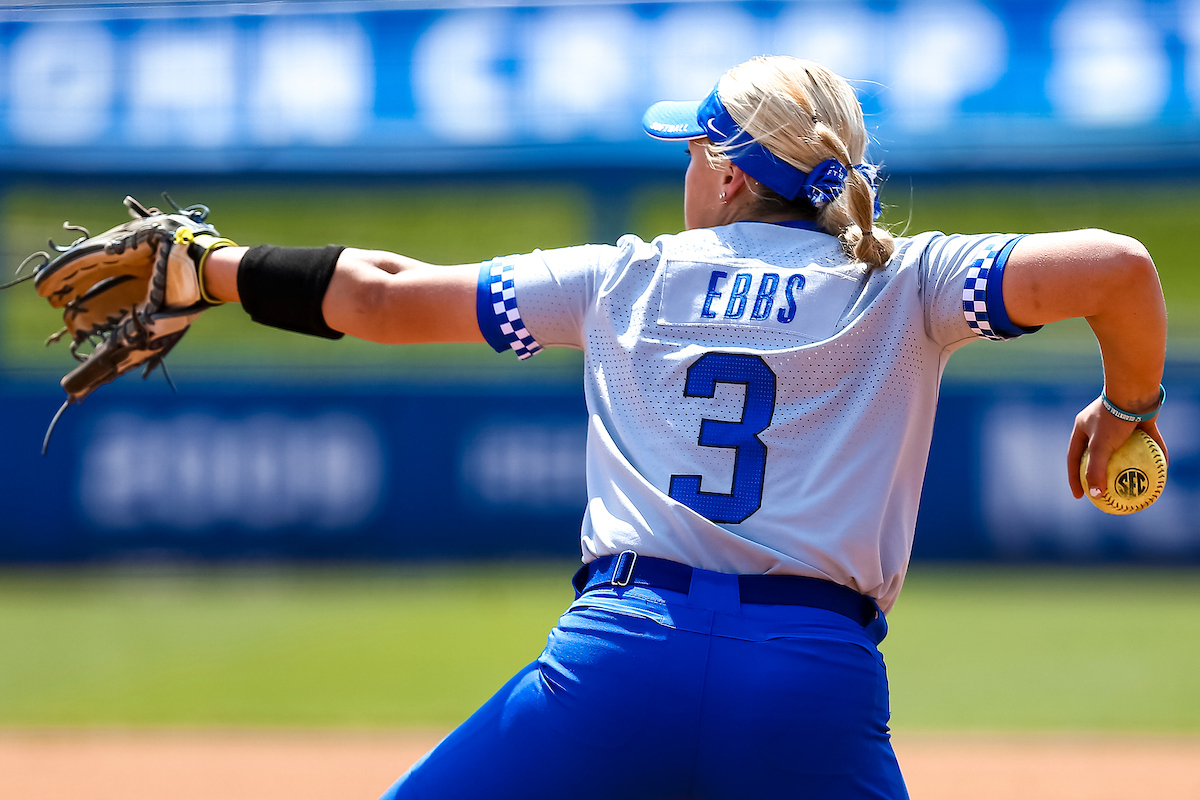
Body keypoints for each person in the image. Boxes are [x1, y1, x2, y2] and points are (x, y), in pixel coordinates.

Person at [199, 56, 1167, 799]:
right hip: (810, 682)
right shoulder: (907, 278)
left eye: (695, 152)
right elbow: (1120, 268)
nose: (688, 174)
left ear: (734, 177)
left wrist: (211, 266)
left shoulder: (628, 273)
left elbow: (381, 297)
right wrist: (1129, 406)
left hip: (619, 659)